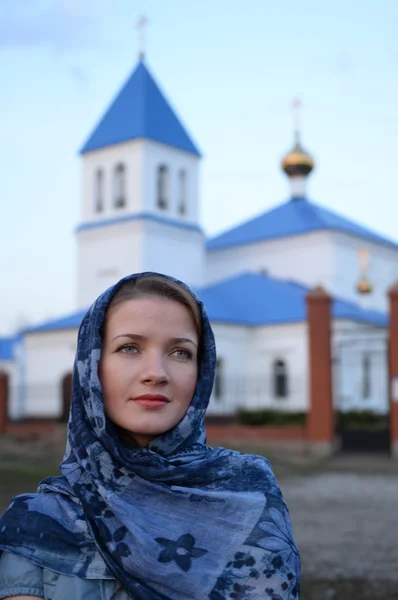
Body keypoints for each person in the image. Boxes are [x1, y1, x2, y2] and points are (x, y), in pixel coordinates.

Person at [0, 272, 300, 599]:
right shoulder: (38, 524)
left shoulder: (250, 493)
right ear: (92, 366)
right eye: (129, 347)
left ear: (202, 371)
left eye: (180, 352)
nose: (156, 373)